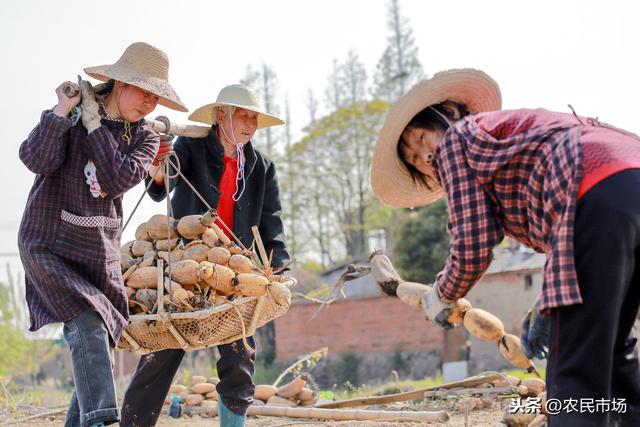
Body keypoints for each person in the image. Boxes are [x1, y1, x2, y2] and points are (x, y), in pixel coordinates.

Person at [370, 69, 640, 426]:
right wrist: (547, 305)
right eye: (415, 159)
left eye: (421, 137)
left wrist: (442, 294)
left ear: (450, 112)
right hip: (627, 181)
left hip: (591, 192)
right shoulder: (507, 136)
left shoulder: (456, 140)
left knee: (573, 383)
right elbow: (578, 233)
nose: (426, 155)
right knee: (614, 357)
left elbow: (474, 243)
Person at [17, 42, 187, 427]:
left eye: (155, 96)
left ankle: (87, 420)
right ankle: (102, 421)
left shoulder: (145, 139)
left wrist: (95, 125)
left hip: (99, 252)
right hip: (48, 244)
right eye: (143, 90)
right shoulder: (71, 116)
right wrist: (63, 113)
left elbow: (115, 180)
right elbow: (35, 159)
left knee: (99, 340)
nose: (148, 103)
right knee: (88, 326)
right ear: (119, 83)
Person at [121, 83, 290, 427]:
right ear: (219, 116)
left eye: (253, 118)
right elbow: (160, 185)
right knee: (163, 350)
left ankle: (233, 424)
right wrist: (158, 164)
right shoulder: (193, 147)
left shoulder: (261, 167)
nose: (248, 124)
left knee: (239, 358)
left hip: (234, 271)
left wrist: (279, 266)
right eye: (242, 115)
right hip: (187, 266)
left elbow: (271, 223)